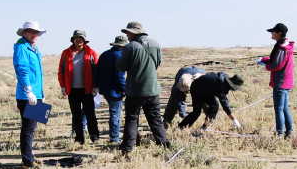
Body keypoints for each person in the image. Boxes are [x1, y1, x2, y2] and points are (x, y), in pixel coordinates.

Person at [116, 21, 169, 155]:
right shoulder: (155, 43)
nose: (127, 35)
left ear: (133, 32)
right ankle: (164, 146)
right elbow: (158, 63)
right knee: (156, 119)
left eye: (127, 32)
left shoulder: (130, 47)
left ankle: (127, 149)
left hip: (134, 90)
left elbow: (121, 67)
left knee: (132, 119)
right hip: (152, 89)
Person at [13, 21, 46, 169]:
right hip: (27, 96)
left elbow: (38, 74)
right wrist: (28, 90)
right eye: (32, 32)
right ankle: (27, 161)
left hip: (36, 94)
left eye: (36, 32)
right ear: (25, 32)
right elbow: (22, 69)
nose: (35, 35)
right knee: (28, 128)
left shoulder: (34, 48)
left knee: (32, 128)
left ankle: (29, 156)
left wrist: (41, 93)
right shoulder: (21, 47)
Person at [58, 29, 100, 144]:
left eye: (81, 38)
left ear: (84, 40)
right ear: (73, 40)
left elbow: (97, 71)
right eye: (76, 38)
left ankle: (94, 137)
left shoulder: (91, 53)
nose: (79, 40)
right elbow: (61, 71)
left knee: (90, 114)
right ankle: (79, 138)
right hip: (72, 90)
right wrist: (62, 86)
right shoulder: (66, 53)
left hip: (87, 90)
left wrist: (96, 87)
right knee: (76, 115)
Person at [259, 22, 295, 138]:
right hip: (286, 82)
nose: (271, 34)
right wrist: (264, 59)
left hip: (281, 82)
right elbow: (276, 60)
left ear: (279, 33)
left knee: (278, 109)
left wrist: (265, 66)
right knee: (284, 108)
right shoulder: (285, 45)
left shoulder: (281, 48)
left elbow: (277, 65)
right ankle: (289, 132)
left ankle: (280, 133)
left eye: (273, 32)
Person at [179, 72, 245, 130]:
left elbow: (224, 100)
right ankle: (181, 127)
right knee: (196, 112)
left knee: (215, 106)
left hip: (206, 90)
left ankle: (205, 127)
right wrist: (235, 120)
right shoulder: (221, 85)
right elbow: (225, 105)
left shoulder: (224, 79)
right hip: (196, 89)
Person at [95, 34, 128, 144]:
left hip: (105, 89)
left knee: (113, 113)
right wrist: (125, 90)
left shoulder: (104, 54)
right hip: (115, 91)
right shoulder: (119, 56)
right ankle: (114, 138)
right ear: (123, 46)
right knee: (115, 114)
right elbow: (120, 76)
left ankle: (114, 136)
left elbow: (97, 72)